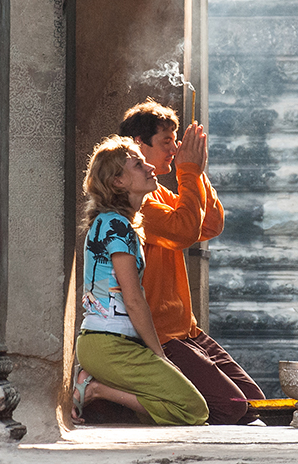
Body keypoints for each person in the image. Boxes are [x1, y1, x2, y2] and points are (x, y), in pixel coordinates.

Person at [119, 100, 265, 425]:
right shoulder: (134, 204)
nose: (174, 150)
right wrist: (187, 172)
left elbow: (210, 224)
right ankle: (114, 399)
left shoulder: (159, 194)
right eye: (166, 142)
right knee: (230, 408)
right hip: (160, 336)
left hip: (187, 331)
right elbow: (183, 231)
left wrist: (196, 173)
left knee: (255, 403)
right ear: (138, 144)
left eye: (176, 142)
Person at [72, 135, 208, 426]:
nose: (151, 168)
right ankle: (95, 389)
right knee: (193, 409)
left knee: (187, 407)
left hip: (110, 344)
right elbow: (133, 299)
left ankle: (94, 386)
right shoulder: (115, 224)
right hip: (108, 344)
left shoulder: (118, 223)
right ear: (118, 182)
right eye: (138, 164)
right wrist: (160, 355)